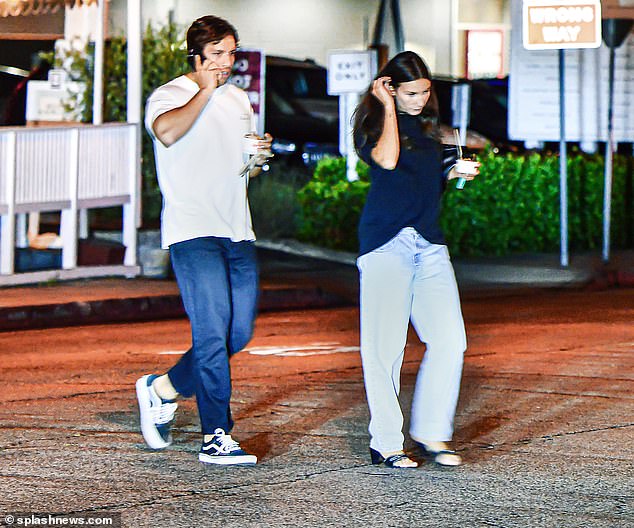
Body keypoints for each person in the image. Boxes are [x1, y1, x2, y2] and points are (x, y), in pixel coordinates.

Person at [136, 15, 272, 466]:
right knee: (211, 333)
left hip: (237, 229)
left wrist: (258, 157)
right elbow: (168, 133)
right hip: (192, 230)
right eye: (217, 54)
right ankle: (216, 436)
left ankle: (162, 388)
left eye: (231, 53)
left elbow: (240, 167)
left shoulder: (239, 100)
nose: (226, 63)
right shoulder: (170, 95)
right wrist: (206, 90)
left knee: (239, 332)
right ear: (196, 56)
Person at [352, 51, 478, 468]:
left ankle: (431, 433)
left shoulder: (429, 130)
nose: (419, 99)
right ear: (388, 87)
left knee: (450, 339)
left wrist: (451, 173)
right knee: (385, 347)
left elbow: (424, 184)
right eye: (410, 92)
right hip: (387, 242)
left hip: (429, 242)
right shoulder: (373, 124)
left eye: (425, 91)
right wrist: (388, 107)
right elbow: (386, 162)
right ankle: (386, 441)